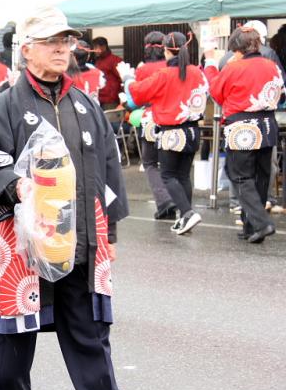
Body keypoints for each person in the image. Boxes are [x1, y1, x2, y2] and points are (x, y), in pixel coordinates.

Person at [0, 7, 164, 390]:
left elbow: (108, 172)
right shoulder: (5, 106)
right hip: (23, 243)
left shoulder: (85, 104)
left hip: (80, 242)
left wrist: (109, 237)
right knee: (16, 331)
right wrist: (16, 187)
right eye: (51, 42)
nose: (62, 49)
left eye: (66, 41)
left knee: (90, 333)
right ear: (27, 50)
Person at [120, 31, 208, 235]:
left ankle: (187, 213)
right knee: (184, 176)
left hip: (172, 133)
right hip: (193, 129)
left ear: (167, 51)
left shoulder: (164, 75)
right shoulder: (196, 72)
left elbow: (138, 93)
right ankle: (185, 216)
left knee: (168, 175)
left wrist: (126, 78)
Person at [205, 27, 283, 243]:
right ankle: (251, 226)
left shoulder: (234, 67)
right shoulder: (272, 66)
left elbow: (216, 92)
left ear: (236, 49)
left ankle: (261, 222)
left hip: (242, 127)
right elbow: (280, 92)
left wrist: (210, 63)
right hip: (267, 124)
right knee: (261, 175)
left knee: (238, 175)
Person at [122, 31, 177, 220]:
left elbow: (136, 98)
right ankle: (181, 202)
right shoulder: (173, 66)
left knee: (150, 163)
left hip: (150, 118)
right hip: (174, 117)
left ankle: (164, 201)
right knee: (172, 164)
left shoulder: (143, 70)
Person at [70, 39, 105, 104]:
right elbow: (102, 85)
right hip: (95, 109)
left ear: (72, 55)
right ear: (88, 56)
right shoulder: (98, 73)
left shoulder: (64, 75)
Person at [93, 37, 123, 109]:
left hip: (110, 101)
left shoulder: (115, 60)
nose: (94, 50)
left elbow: (122, 78)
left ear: (104, 47)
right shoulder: (98, 61)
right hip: (98, 98)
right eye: (94, 47)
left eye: (96, 47)